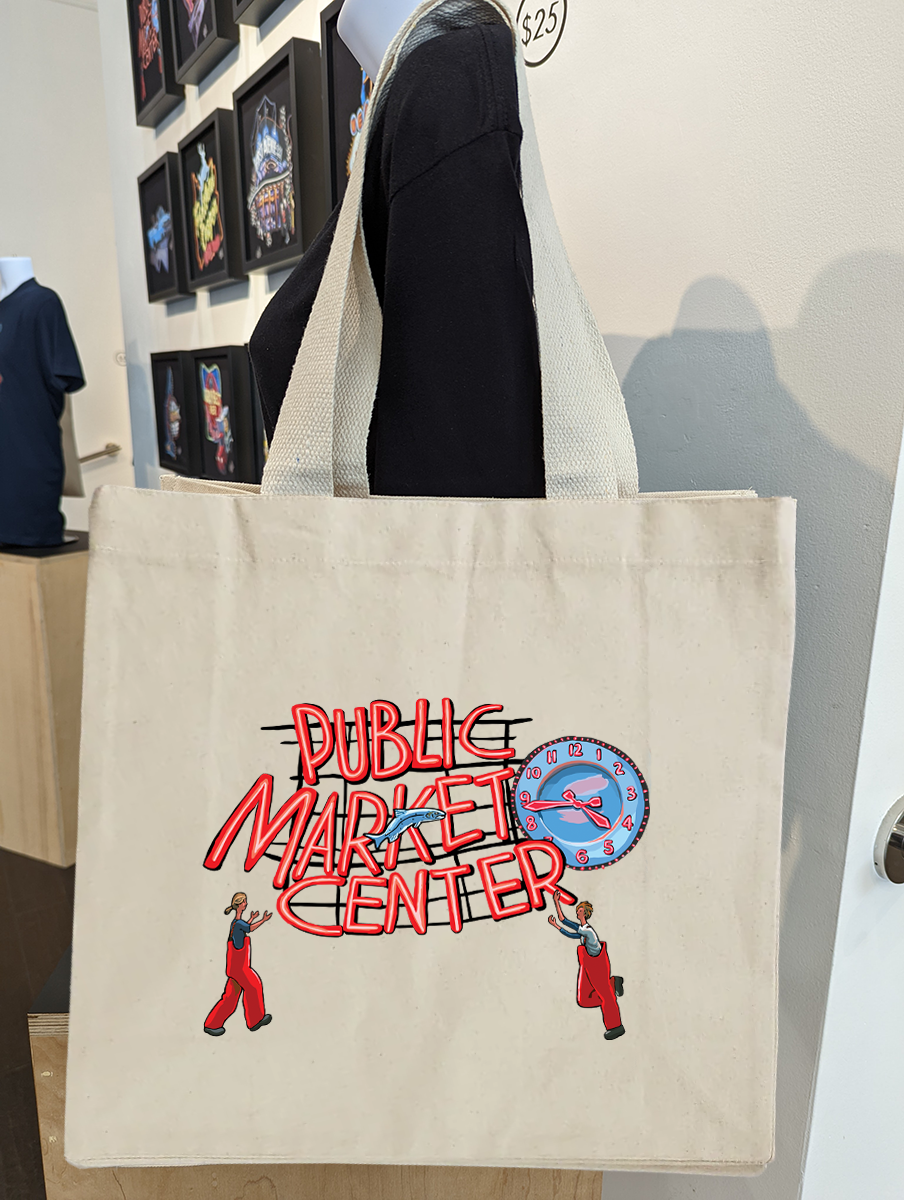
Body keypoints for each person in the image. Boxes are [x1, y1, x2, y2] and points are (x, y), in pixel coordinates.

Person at [548, 889, 625, 1040]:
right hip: (587, 962)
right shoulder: (583, 928)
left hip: (598, 964)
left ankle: (615, 1026)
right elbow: (564, 920)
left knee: (607, 998)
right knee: (583, 999)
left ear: (586, 913)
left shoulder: (587, 931)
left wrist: (556, 926)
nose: (578, 912)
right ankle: (613, 982)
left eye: (580, 910)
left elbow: (570, 933)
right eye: (578, 910)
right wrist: (556, 902)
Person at [204, 892, 273, 1036]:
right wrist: (263, 920)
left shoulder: (236, 922)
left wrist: (253, 918)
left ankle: (212, 1024)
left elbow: (244, 926)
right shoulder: (239, 924)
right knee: (254, 985)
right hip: (240, 968)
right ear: (240, 904)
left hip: (234, 968)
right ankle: (255, 1020)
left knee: (230, 998)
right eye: (244, 902)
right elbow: (250, 928)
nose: (246, 903)